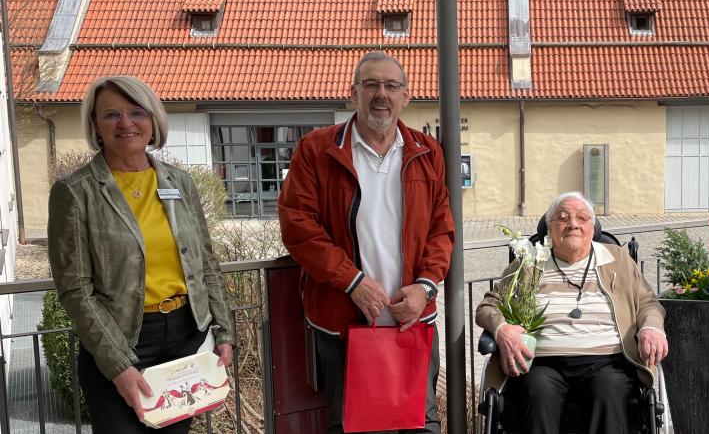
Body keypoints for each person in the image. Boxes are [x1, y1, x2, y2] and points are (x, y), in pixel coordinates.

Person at [278, 51, 454, 434]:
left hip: (412, 319)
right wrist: (353, 282)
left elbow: (441, 230)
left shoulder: (428, 152)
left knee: (420, 424)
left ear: (406, 97)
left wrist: (425, 287)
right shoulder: (316, 149)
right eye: (371, 84)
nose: (381, 94)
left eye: (391, 86)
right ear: (352, 93)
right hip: (344, 321)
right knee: (352, 425)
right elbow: (298, 226)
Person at [48, 75, 235, 433]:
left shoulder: (180, 183)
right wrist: (118, 365)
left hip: (185, 339)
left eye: (136, 112)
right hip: (122, 341)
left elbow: (206, 263)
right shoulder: (75, 192)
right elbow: (75, 289)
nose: (126, 123)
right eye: (111, 115)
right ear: (95, 126)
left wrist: (224, 332)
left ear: (153, 121)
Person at [476, 192, 669, 434]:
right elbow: (488, 306)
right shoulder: (529, 263)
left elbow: (648, 303)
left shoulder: (617, 259)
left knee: (610, 389)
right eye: (563, 218)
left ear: (592, 226)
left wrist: (651, 328)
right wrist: (502, 330)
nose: (573, 224)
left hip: (608, 362)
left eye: (582, 217)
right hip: (542, 363)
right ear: (549, 228)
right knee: (538, 391)